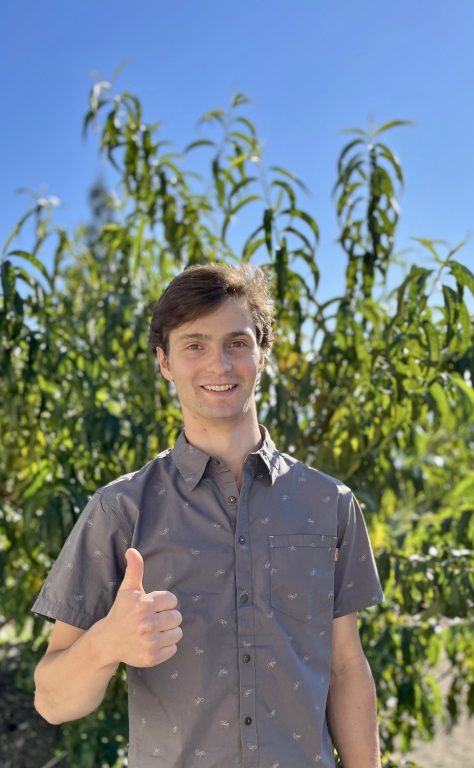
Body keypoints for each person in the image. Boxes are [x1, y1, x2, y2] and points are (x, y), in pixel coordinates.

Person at [33, 263, 384, 768]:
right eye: (194, 345)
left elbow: (347, 666)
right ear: (165, 362)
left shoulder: (330, 503)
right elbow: (52, 701)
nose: (218, 364)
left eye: (237, 343)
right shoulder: (119, 509)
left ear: (262, 354)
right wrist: (107, 642)